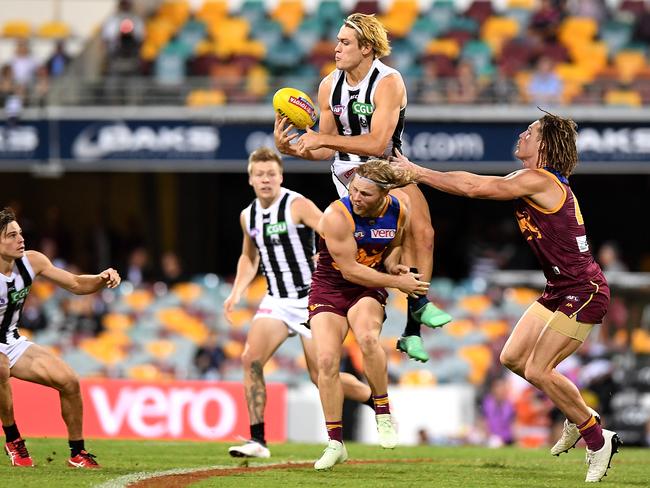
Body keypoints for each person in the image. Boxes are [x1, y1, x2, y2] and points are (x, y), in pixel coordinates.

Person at [391, 112, 620, 483]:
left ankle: (596, 436)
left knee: (538, 369)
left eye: (529, 132)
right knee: (512, 357)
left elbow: (473, 187)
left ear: (543, 145)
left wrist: (415, 172)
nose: (521, 135)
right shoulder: (532, 179)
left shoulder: (537, 180)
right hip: (561, 288)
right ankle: (578, 418)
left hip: (584, 290)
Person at [274, 12, 451, 364]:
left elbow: (377, 143)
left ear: (367, 48)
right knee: (384, 252)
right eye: (337, 41)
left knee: (425, 233)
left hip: (387, 166)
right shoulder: (329, 86)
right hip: (349, 176)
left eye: (344, 43)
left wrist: (320, 138)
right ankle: (406, 312)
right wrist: (292, 149)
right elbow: (326, 148)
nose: (336, 49)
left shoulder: (388, 81)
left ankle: (414, 324)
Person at [223, 147, 373, 459]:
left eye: (271, 173)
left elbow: (331, 229)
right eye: (259, 174)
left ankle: (375, 399)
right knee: (250, 359)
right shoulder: (247, 215)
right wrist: (237, 291)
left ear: (280, 176)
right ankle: (258, 441)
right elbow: (248, 257)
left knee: (320, 376)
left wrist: (331, 256)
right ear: (250, 179)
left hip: (310, 299)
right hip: (277, 299)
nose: (266, 179)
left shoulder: (297, 204)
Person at [310, 159, 430, 470]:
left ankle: (383, 412)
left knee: (367, 338)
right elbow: (350, 271)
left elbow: (394, 245)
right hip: (331, 286)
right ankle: (335, 442)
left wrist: (394, 265)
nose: (356, 197)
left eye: (365, 193)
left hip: (368, 288)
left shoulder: (399, 208)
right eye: (354, 189)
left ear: (383, 194)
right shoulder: (337, 215)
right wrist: (397, 281)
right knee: (325, 360)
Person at [0, 206, 121, 468]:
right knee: (0, 366)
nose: (20, 239)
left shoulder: (32, 261)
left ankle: (77, 453)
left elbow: (76, 284)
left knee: (69, 381)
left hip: (11, 341)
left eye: (20, 233)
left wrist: (101, 279)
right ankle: (13, 439)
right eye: (11, 235)